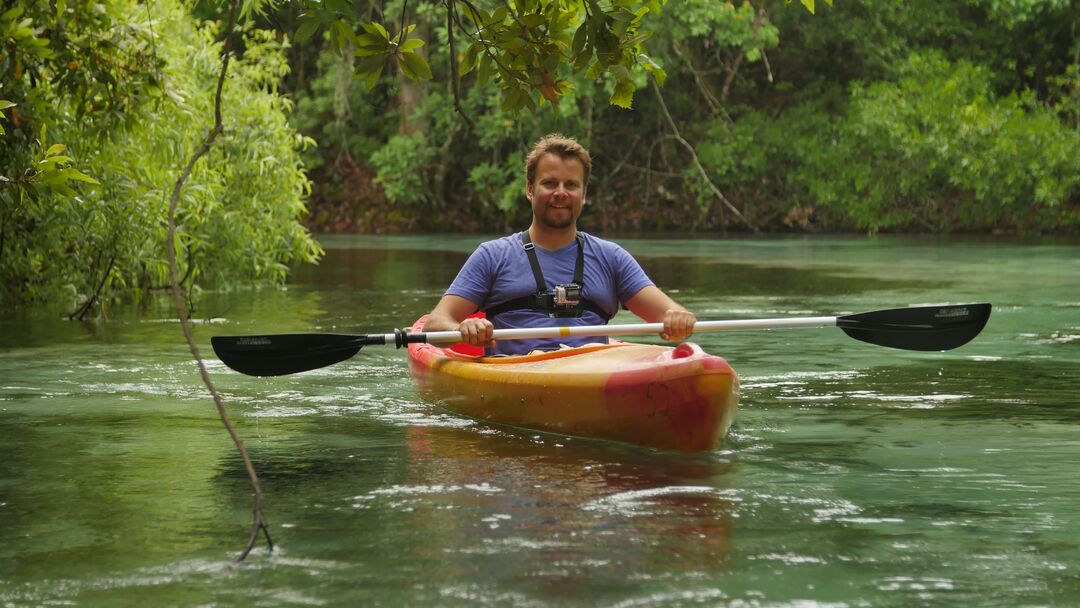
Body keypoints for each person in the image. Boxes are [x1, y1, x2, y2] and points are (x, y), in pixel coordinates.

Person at [423, 134, 695, 355]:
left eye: (571, 185)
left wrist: (678, 320)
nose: (561, 193)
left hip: (591, 374)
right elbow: (437, 324)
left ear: (584, 193)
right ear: (530, 189)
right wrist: (465, 329)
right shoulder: (492, 256)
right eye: (550, 183)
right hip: (515, 374)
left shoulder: (612, 258)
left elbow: (670, 313)